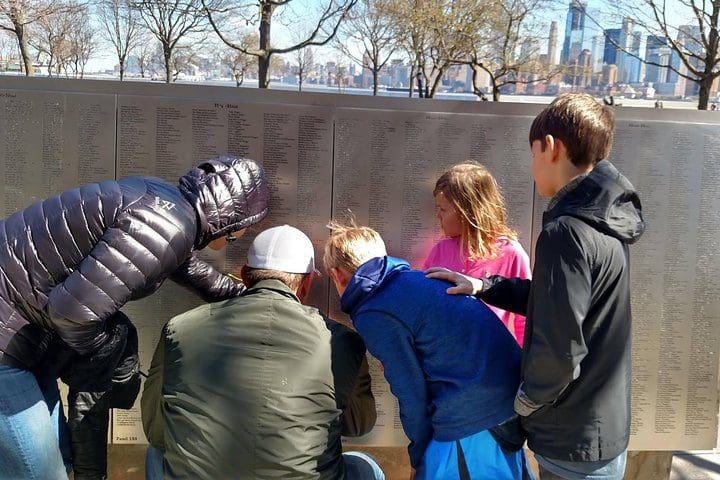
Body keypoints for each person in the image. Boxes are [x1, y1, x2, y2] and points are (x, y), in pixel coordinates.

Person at [0, 155, 269, 479]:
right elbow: (72, 316)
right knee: (42, 473)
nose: (232, 240)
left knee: (58, 455)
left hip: (22, 337)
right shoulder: (167, 227)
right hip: (8, 342)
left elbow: (188, 267)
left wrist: (249, 294)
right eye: (237, 233)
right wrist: (111, 345)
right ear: (229, 219)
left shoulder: (160, 200)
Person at [427, 93, 645, 480]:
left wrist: (528, 400)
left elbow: (561, 344)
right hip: (599, 427)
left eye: (532, 154)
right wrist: (483, 286)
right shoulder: (604, 222)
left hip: (571, 435)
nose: (531, 167)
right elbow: (554, 303)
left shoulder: (567, 232)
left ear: (551, 147)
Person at [141, 224, 384, 480]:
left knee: (158, 452)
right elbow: (359, 425)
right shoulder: (342, 341)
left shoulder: (179, 328)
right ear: (306, 284)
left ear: (245, 275)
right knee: (364, 466)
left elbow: (156, 429)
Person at [324, 222, 533, 480]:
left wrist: (417, 455)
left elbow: (409, 390)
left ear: (336, 274)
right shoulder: (415, 281)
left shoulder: (375, 311)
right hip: (503, 404)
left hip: (471, 421)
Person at [424, 162, 531, 345]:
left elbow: (526, 316)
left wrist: (524, 363)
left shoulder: (511, 253)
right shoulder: (441, 249)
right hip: (445, 358)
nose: (438, 216)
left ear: (468, 212)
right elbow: (423, 299)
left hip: (490, 357)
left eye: (443, 209)